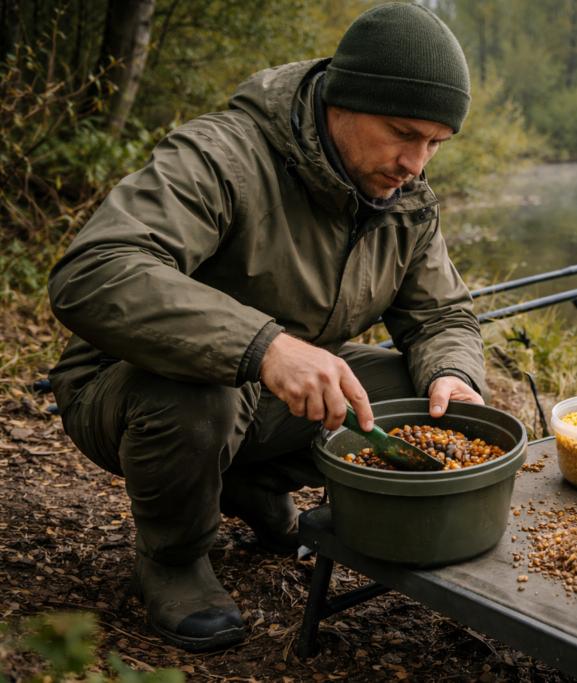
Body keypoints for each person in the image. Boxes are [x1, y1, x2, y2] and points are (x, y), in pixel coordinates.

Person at [46, 3, 485, 652]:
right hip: (129, 389)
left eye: (435, 145)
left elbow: (440, 314)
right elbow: (92, 271)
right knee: (202, 390)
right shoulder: (226, 154)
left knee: (417, 390)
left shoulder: (404, 197)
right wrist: (264, 346)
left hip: (260, 399)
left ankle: (253, 484)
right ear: (343, 101)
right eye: (403, 133)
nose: (416, 163)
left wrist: (453, 370)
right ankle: (173, 558)